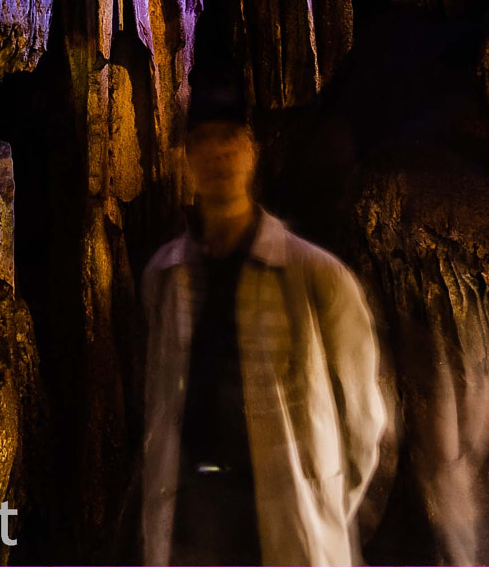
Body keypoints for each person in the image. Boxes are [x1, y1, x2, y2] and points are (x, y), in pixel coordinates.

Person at [142, 79, 387, 567]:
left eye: (230, 140)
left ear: (251, 151)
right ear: (186, 156)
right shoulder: (164, 279)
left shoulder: (318, 277)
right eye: (204, 141)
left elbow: (365, 421)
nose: (218, 155)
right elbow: (160, 406)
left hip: (284, 528)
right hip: (193, 532)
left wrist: (322, 509)